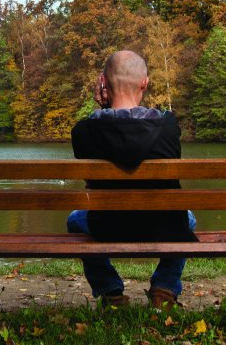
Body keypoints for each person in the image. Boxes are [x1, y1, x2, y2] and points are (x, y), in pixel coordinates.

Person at [66, 50, 198, 309]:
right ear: (145, 83)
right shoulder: (169, 128)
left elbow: (106, 130)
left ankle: (110, 290)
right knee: (188, 218)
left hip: (106, 225)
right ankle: (164, 287)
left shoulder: (83, 133)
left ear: (103, 82)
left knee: (74, 219)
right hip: (163, 225)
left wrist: (103, 107)